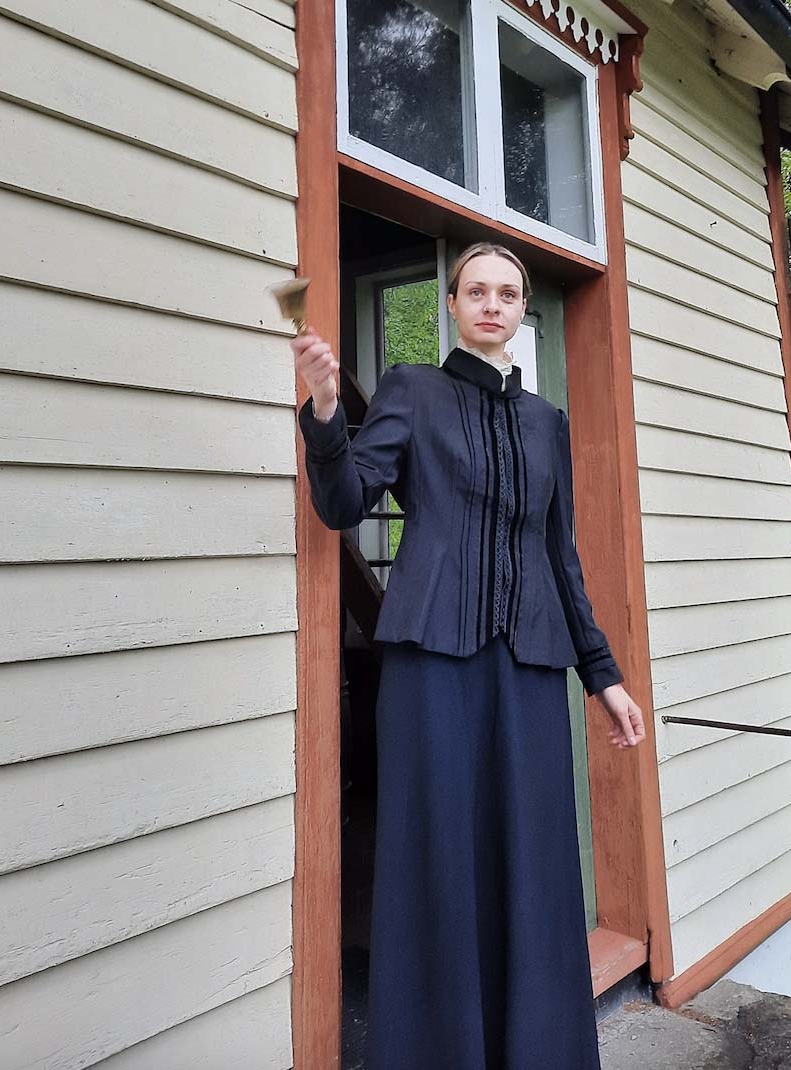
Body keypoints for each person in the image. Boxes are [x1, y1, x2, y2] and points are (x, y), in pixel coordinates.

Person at [293, 241, 646, 1069]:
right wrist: (321, 409)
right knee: (437, 857)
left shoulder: (548, 424)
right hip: (430, 665)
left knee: (532, 864)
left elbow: (561, 560)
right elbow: (345, 502)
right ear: (451, 304)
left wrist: (605, 678)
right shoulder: (412, 391)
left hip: (528, 668)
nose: (492, 303)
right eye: (476, 291)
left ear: (524, 312)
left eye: (509, 293)